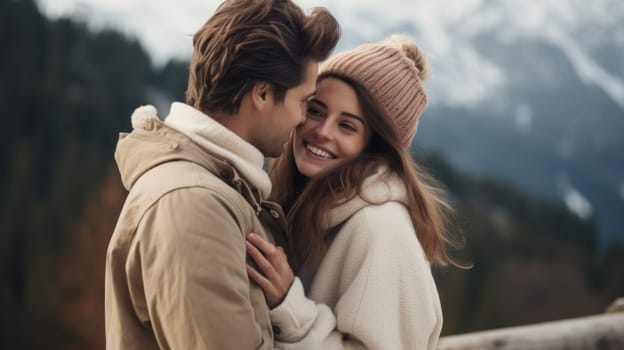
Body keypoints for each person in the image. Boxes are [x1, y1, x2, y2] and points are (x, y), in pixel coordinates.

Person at [104, 0, 339, 348]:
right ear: (261, 94)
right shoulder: (193, 205)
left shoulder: (212, 191)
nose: (303, 119)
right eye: (303, 101)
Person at [246, 35, 457, 349]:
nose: (322, 131)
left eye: (347, 126)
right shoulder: (300, 202)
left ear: (375, 147)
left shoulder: (382, 230)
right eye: (316, 110)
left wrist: (290, 306)